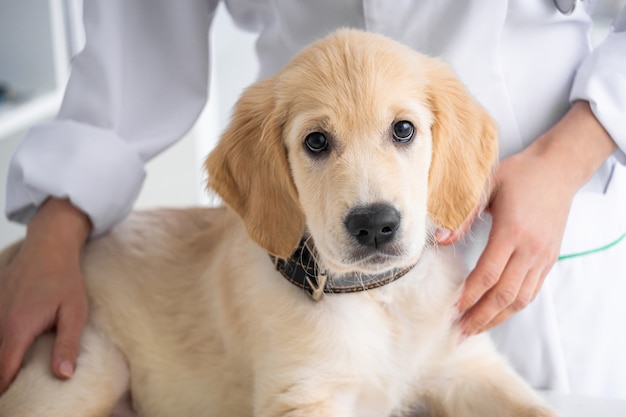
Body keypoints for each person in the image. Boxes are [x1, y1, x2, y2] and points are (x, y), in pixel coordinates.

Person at [1, 0, 625, 404]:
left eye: (403, 131)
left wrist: (566, 156)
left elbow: (467, 378)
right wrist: (53, 233)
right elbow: (137, 39)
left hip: (549, 203)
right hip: (134, 306)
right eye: (317, 143)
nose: (369, 202)